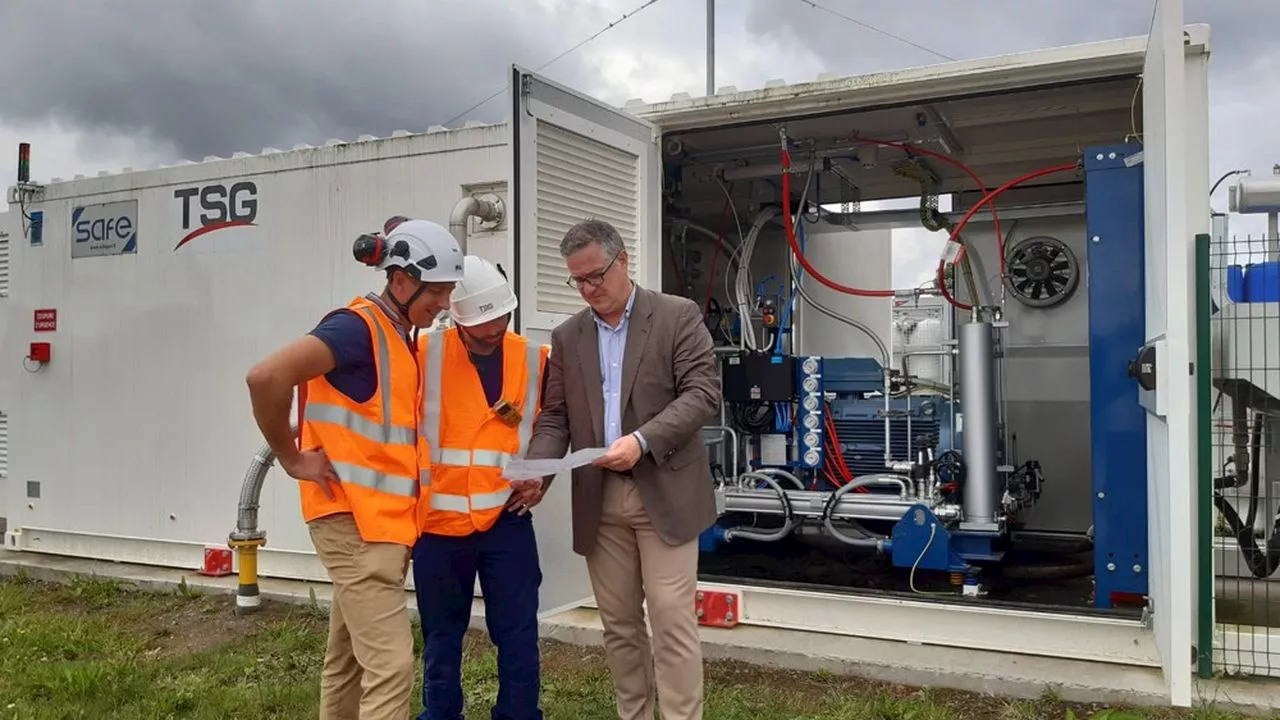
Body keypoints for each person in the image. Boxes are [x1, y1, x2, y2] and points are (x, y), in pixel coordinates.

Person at [245, 216, 464, 720]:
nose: (445, 305)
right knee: (391, 668)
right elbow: (265, 378)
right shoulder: (355, 329)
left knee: (345, 661)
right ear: (402, 280)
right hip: (354, 526)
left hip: (377, 528)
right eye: (437, 293)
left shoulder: (398, 333)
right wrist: (291, 457)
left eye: (449, 293)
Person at [521, 219, 722, 720]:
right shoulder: (568, 336)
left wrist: (642, 441)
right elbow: (556, 414)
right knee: (620, 626)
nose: (589, 289)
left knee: (672, 621)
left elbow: (703, 393)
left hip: (666, 492)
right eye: (578, 281)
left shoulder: (676, 316)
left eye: (596, 276)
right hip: (600, 498)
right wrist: (538, 470)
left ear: (623, 260)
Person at [413, 255, 550, 720]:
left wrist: (542, 476)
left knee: (517, 633)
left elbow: (556, 424)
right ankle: (440, 714)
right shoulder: (424, 354)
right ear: (456, 319)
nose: (494, 332)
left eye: (501, 320)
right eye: (483, 327)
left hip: (505, 519)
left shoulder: (534, 358)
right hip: (438, 524)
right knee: (440, 636)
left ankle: (519, 714)